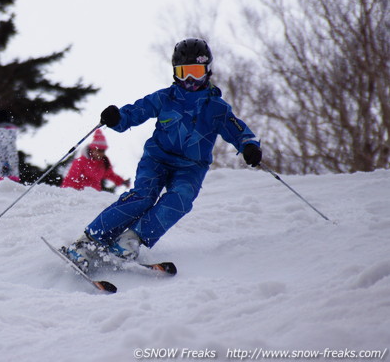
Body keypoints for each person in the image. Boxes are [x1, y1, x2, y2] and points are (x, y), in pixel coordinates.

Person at [65, 38, 262, 271]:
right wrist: (118, 118)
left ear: (207, 71)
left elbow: (237, 129)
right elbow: (138, 110)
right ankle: (88, 240)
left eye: (196, 72)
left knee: (181, 198)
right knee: (143, 196)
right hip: (157, 159)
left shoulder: (217, 108)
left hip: (191, 167)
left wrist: (249, 145)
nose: (190, 80)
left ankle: (130, 240)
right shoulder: (165, 97)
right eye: (184, 72)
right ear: (175, 73)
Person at [61, 129, 129, 191]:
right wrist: (66, 194)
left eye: (103, 151)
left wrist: (122, 181)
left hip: (94, 195)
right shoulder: (80, 162)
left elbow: (110, 175)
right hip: (78, 195)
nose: (101, 153)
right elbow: (70, 179)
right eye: (99, 150)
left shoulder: (103, 163)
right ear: (92, 149)